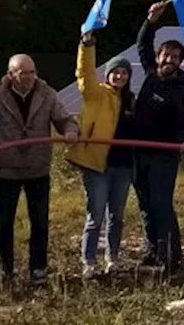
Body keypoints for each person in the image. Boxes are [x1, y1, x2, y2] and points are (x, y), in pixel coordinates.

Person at [0, 54, 78, 286]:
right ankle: (4, 270)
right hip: (6, 170)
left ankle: (38, 270)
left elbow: (65, 120)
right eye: (22, 73)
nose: (28, 77)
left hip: (38, 168)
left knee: (40, 222)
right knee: (4, 222)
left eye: (31, 72)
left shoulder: (47, 95)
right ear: (10, 75)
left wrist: (70, 131)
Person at [67, 32, 137, 279]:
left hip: (123, 166)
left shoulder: (131, 101)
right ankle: (89, 261)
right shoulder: (96, 93)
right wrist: (87, 45)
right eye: (115, 72)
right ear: (107, 74)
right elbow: (84, 73)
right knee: (95, 215)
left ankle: (113, 258)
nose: (119, 76)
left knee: (117, 216)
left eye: (124, 72)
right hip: (96, 164)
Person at [131, 1, 184, 274]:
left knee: (161, 204)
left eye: (175, 57)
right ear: (159, 57)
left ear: (180, 62)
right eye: (166, 55)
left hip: (163, 157)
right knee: (144, 204)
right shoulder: (149, 76)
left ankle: (172, 256)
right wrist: (151, 20)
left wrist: (183, 141)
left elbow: (183, 128)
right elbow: (143, 44)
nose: (169, 60)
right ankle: (153, 248)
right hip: (137, 153)